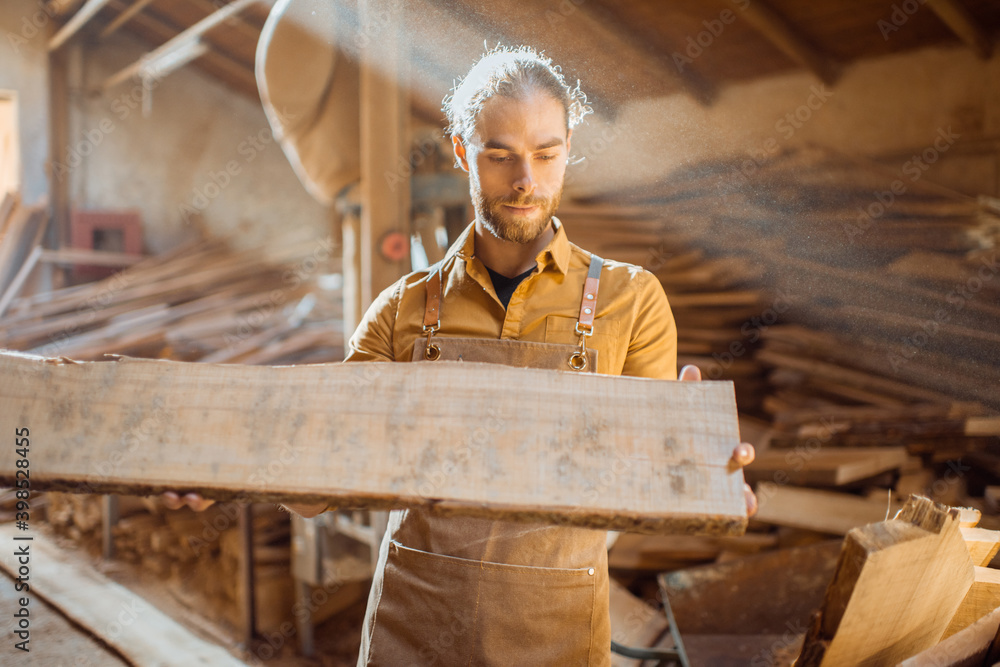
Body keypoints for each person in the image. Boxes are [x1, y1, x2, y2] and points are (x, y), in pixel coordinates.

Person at [166, 45, 757, 665]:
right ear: (460, 152)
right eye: (500, 155)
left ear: (566, 150)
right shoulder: (402, 309)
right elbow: (324, 480)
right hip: (413, 630)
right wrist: (227, 468)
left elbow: (646, 479)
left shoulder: (630, 301)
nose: (525, 179)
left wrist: (708, 479)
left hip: (555, 636)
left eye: (546, 155)